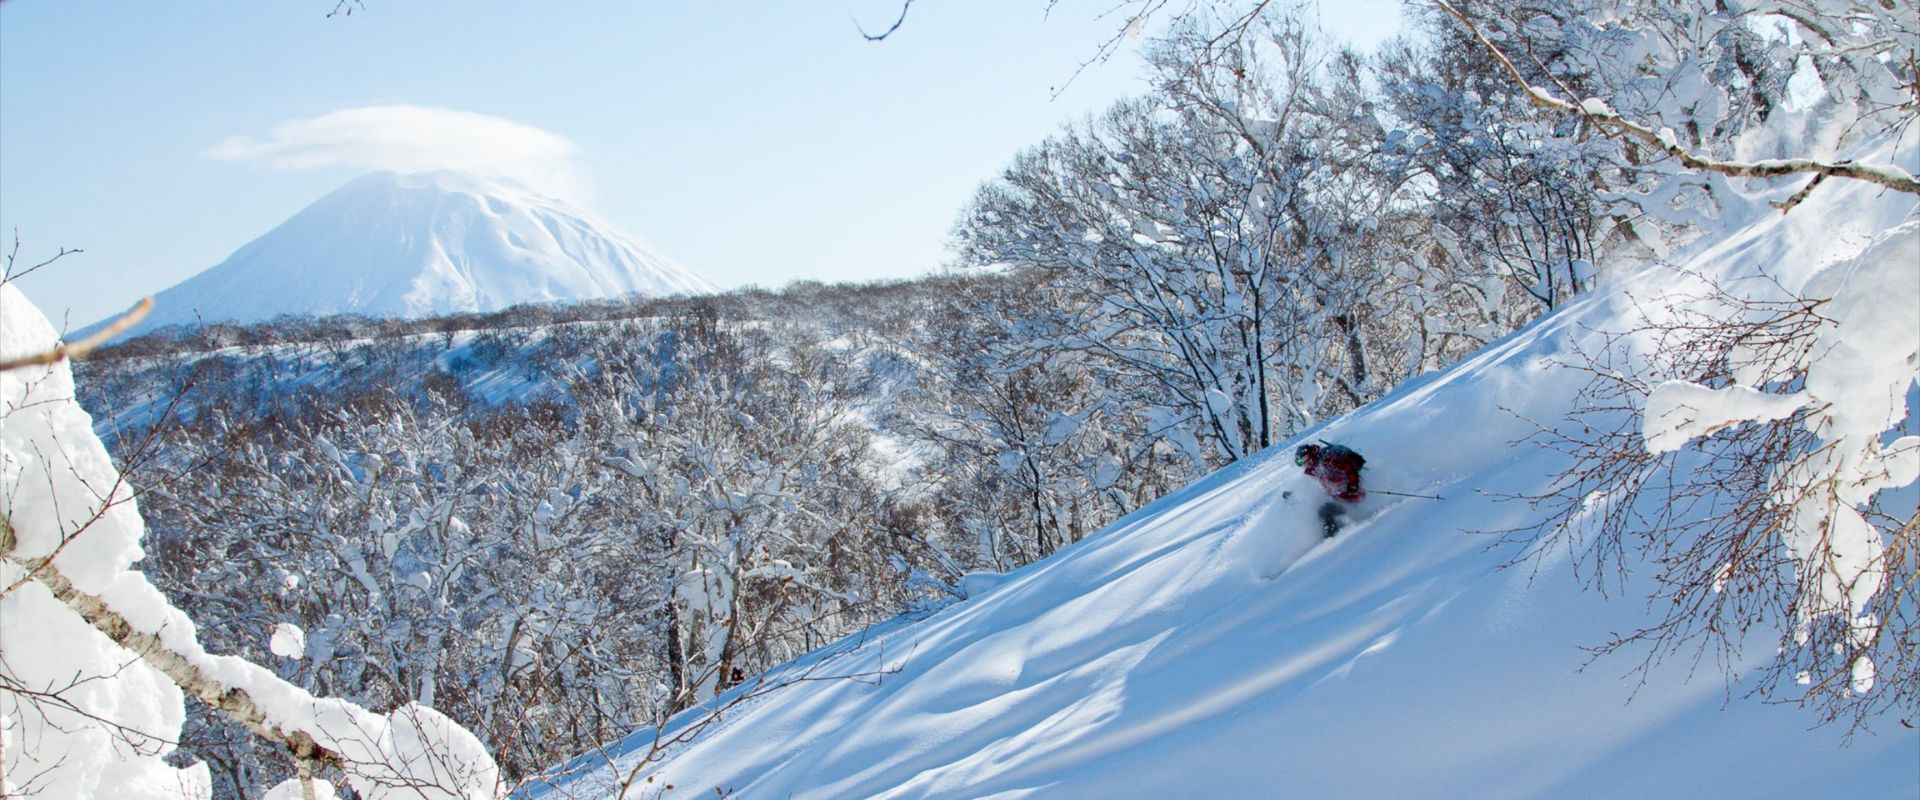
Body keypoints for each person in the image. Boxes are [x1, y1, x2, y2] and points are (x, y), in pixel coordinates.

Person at [1294, 442, 1365, 537]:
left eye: (1304, 459)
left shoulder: (1327, 459)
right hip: (1339, 497)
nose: (1304, 463)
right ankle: (1336, 529)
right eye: (1299, 462)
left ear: (1311, 455)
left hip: (1351, 494)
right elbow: (1312, 490)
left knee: (1325, 511)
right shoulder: (1314, 469)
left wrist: (1353, 486)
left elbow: (1349, 466)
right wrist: (1294, 495)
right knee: (1319, 511)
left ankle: (1333, 537)